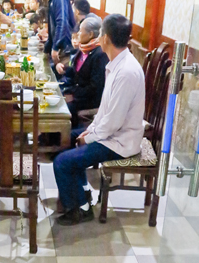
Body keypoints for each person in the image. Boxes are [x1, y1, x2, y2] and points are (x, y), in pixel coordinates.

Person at [53, 14, 145, 225]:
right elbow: (105, 111)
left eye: (101, 33)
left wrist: (90, 137)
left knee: (62, 162)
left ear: (105, 38)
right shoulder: (116, 63)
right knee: (63, 140)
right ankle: (83, 192)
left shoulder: (126, 72)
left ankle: (80, 209)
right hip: (110, 132)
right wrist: (90, 131)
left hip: (120, 141)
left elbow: (113, 122)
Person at [56, 16, 108, 127]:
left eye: (81, 31)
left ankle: (62, 138)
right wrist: (64, 68)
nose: (78, 33)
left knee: (61, 108)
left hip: (90, 100)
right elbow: (77, 72)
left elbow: (95, 87)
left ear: (90, 35)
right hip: (78, 92)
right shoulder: (84, 48)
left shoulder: (99, 55)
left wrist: (73, 95)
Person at [42, 0, 75, 69]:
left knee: (59, 78)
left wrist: (56, 47)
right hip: (58, 48)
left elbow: (62, 23)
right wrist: (47, 48)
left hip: (64, 50)